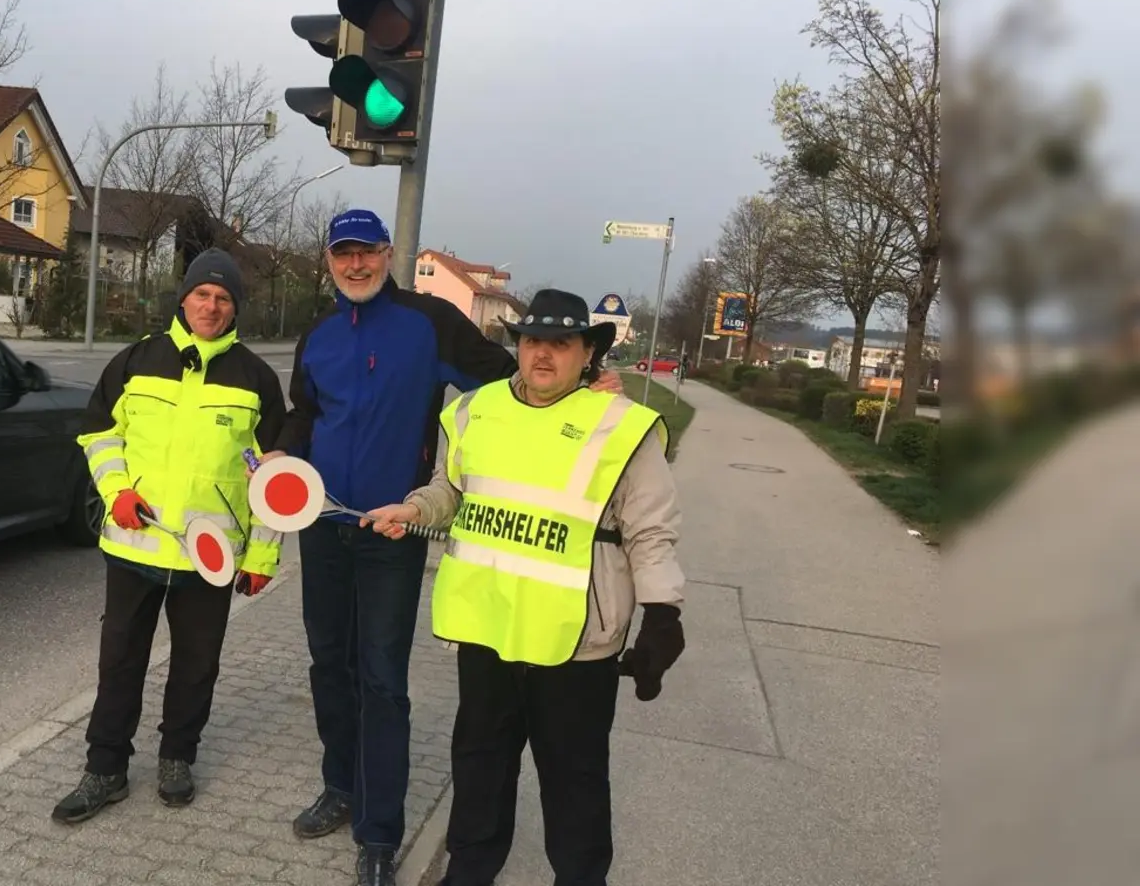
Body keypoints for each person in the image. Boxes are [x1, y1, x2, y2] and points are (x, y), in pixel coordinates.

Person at [363, 288, 689, 886]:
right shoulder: (474, 411)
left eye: (561, 343)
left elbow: (650, 532)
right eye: (533, 340)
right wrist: (413, 510)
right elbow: (451, 490)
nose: (543, 353)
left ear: (587, 353)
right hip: (488, 627)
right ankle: (469, 872)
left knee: (574, 780)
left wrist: (662, 613)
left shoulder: (621, 426)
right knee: (479, 767)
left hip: (576, 640)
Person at [256, 209, 520, 886]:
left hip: (392, 531)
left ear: (388, 252)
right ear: (328, 260)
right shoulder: (317, 334)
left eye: (366, 252)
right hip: (322, 526)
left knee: (381, 680)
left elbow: (505, 384)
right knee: (328, 664)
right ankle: (341, 785)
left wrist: (585, 385)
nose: (355, 265)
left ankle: (379, 833)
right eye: (342, 254)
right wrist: (281, 452)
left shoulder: (429, 322)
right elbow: (306, 413)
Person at [53, 248, 287, 824]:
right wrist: (117, 492)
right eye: (202, 294)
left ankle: (178, 757)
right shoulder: (135, 361)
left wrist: (261, 556)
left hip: (210, 558)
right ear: (183, 299)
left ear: (236, 308)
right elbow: (100, 435)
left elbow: (275, 482)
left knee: (196, 665)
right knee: (120, 661)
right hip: (135, 545)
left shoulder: (256, 380)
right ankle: (105, 768)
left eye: (223, 298)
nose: (211, 306)